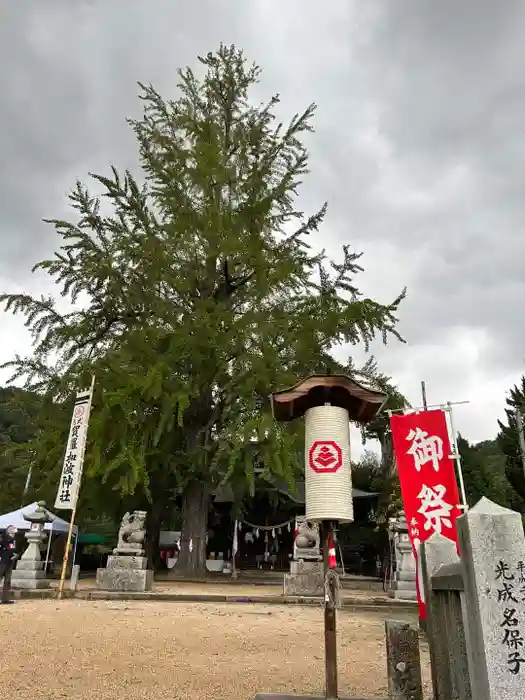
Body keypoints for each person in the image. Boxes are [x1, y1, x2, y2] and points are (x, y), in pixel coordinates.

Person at [0, 525, 18, 604]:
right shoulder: (2, 539)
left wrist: (15, 555)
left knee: (7, 581)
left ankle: (5, 598)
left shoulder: (13, 540)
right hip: (2, 561)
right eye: (13, 531)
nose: (14, 532)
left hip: (10, 561)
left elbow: (12, 549)